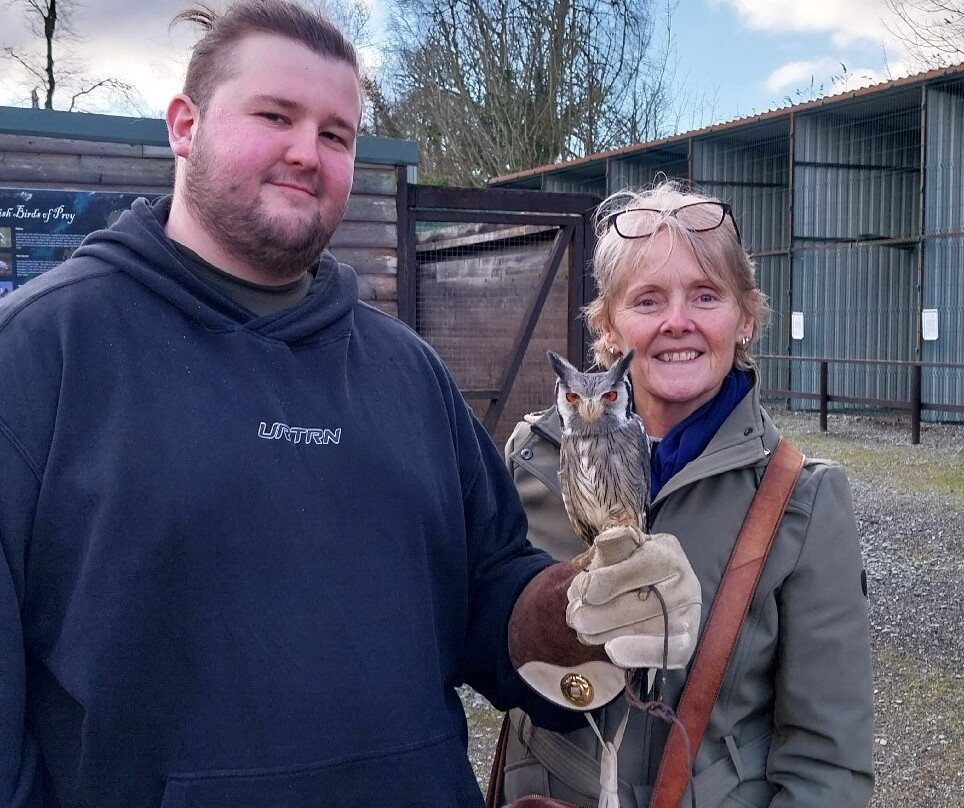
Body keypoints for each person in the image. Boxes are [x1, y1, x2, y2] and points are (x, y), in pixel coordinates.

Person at [0, 4, 701, 807]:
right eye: (275, 116)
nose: (307, 151)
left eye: (336, 133)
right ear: (185, 126)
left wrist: (578, 612)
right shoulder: (38, 358)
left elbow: (490, 595)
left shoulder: (407, 373)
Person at [500, 181, 875, 807]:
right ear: (610, 325)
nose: (679, 321)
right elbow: (480, 652)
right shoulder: (533, 459)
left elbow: (826, 761)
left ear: (745, 317)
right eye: (648, 300)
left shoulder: (800, 500)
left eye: (706, 295)